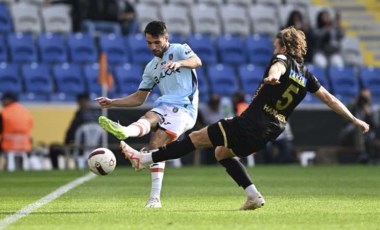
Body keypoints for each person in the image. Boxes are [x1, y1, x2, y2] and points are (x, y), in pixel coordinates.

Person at [119, 26, 370, 211]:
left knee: (196, 137)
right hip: (273, 129)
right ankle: (253, 195)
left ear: (283, 45)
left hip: (252, 122)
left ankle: (143, 158)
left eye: (276, 43)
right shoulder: (307, 76)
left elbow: (278, 67)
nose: (274, 46)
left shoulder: (281, 59)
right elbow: (330, 99)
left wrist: (273, 75)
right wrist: (355, 120)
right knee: (221, 153)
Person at [95, 21, 202, 208]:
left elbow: (197, 61)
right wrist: (113, 102)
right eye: (149, 43)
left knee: (155, 143)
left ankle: (154, 198)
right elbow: (139, 98)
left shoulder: (179, 49)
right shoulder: (151, 67)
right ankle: (126, 132)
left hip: (185, 109)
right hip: (164, 104)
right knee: (148, 117)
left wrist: (179, 64)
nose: (153, 47)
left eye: (157, 42)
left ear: (166, 38)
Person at [339, 88, 377, 163]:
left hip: (367, 134)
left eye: (366, 97)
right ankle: (362, 153)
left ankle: (369, 157)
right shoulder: (352, 105)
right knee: (358, 127)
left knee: (370, 134)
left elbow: (374, 126)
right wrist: (355, 105)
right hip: (350, 133)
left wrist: (368, 114)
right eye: (363, 97)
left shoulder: (372, 108)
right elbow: (345, 121)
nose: (364, 100)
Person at [64, 93, 101, 169]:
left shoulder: (80, 114)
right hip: (99, 145)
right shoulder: (98, 112)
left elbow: (71, 131)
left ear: (81, 101)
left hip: (81, 147)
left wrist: (67, 142)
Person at [0, 92, 34, 172]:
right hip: (25, 145)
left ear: (8, 100)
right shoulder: (26, 112)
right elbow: (30, 126)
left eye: (3, 100)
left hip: (8, 145)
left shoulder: (4, 113)